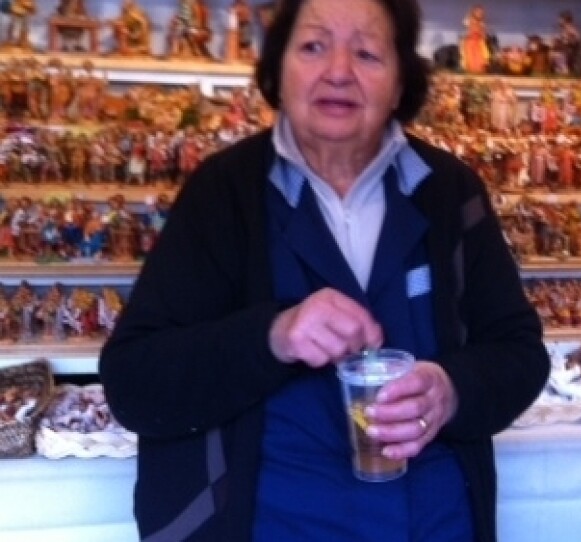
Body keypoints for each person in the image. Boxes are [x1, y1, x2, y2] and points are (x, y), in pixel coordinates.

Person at [99, 0, 549, 541]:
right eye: (313, 46)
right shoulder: (224, 193)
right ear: (278, 70)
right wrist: (273, 336)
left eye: (367, 53)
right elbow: (135, 381)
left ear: (401, 83)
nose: (339, 71)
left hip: (435, 522)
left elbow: (519, 352)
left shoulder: (449, 191)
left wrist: (452, 389)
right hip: (271, 525)